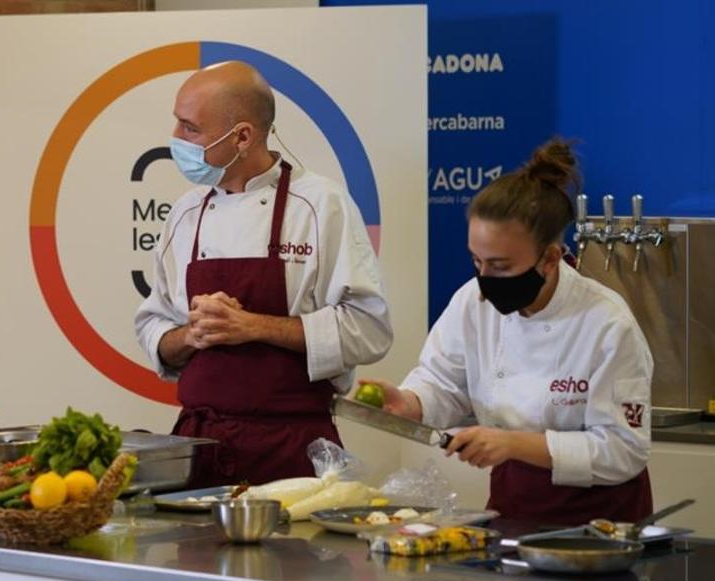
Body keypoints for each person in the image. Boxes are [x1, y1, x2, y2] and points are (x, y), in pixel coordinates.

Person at [362, 139, 653, 526]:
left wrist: (513, 443)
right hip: (513, 506)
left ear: (550, 258)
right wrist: (410, 402)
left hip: (602, 525)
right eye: (476, 261)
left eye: (500, 266)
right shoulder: (471, 302)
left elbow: (623, 450)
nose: (485, 280)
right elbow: (444, 380)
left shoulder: (606, 324)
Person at [134, 61, 393, 488]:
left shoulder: (320, 206)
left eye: (190, 128)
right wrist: (191, 335)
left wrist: (252, 326)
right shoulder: (184, 213)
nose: (175, 139)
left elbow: (369, 328)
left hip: (292, 450)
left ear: (242, 137)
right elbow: (153, 325)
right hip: (199, 448)